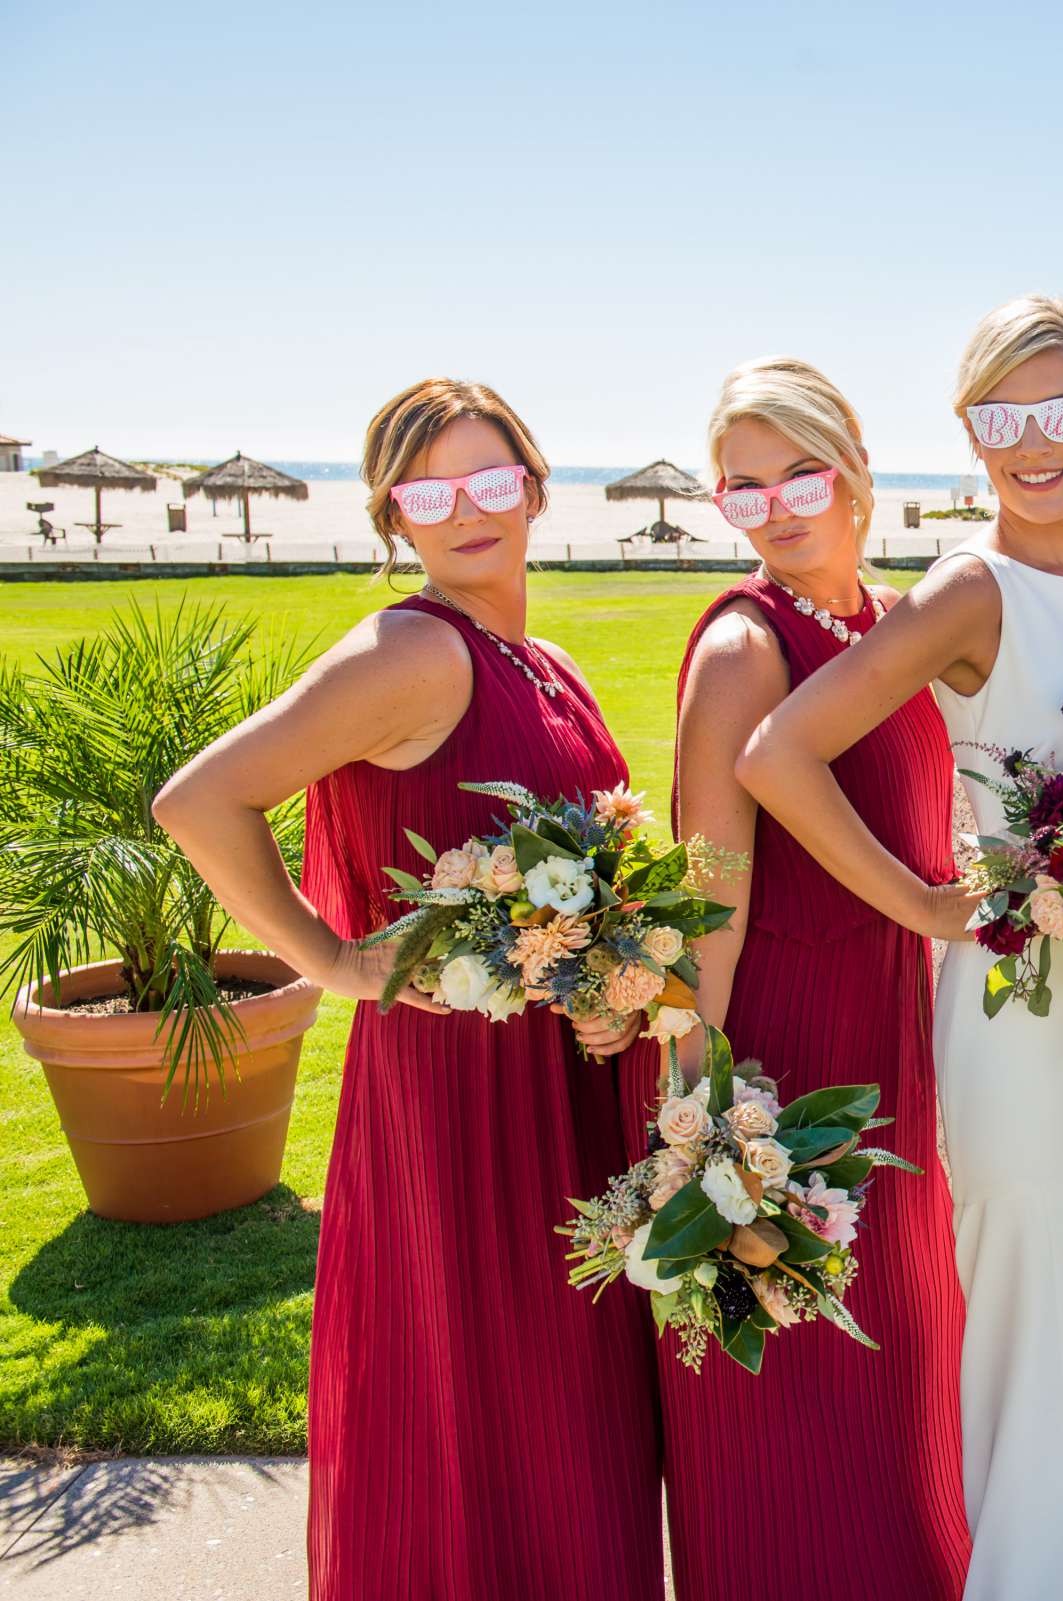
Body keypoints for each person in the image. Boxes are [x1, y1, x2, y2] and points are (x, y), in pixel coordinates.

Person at [734, 294, 1063, 1601]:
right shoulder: (968, 590)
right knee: (1039, 1331)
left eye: (1061, 412)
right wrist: (926, 905)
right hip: (1022, 1027)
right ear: (971, 434)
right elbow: (775, 754)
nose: (1034, 445)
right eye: (1001, 418)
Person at [154, 379, 661, 1600]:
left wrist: (620, 993)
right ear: (395, 516)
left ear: (536, 487)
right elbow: (198, 801)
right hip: (463, 1097)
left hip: (565, 1080)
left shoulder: (544, 662)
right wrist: (334, 959)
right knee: (489, 1402)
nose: (467, 511)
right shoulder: (412, 651)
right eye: (428, 492)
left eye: (490, 480)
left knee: (569, 1408)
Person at [654, 356, 969, 1598]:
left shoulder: (895, 617)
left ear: (859, 476)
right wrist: (700, 1115)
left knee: (896, 1358)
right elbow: (706, 899)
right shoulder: (743, 648)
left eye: (801, 475)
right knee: (797, 1367)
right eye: (745, 488)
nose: (779, 507)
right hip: (788, 1047)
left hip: (894, 1024)